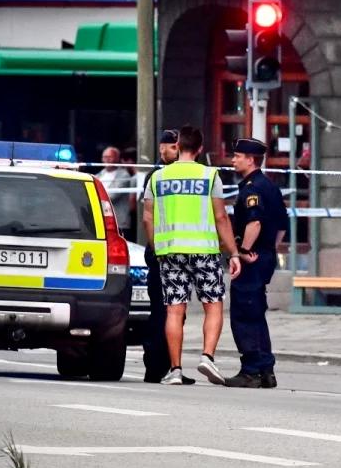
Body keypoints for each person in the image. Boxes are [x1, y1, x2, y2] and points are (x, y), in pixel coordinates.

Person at [142, 126, 242, 386]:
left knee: (174, 311)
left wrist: (156, 247)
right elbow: (221, 217)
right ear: (199, 148)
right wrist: (233, 252)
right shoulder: (210, 176)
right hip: (204, 251)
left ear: (179, 147)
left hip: (170, 252)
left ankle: (174, 369)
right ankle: (207, 356)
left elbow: (148, 217)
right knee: (213, 304)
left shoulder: (158, 177)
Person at [223, 137, 288, 388]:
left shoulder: (252, 187)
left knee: (244, 314)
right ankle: (266, 370)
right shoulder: (270, 186)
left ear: (250, 160)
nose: (233, 160)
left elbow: (255, 222)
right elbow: (282, 225)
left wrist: (243, 250)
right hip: (265, 257)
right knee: (257, 312)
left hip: (252, 259)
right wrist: (270, 248)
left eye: (237, 156)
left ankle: (251, 370)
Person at [140, 130, 181, 383]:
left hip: (176, 253)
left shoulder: (182, 175)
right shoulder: (155, 176)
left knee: (175, 313)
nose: (169, 150)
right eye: (168, 146)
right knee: (160, 313)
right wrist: (156, 250)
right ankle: (155, 367)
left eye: (175, 146)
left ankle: (171, 366)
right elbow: (148, 217)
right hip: (161, 253)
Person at [95, 146, 133, 230]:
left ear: (117, 158)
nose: (107, 160)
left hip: (118, 222)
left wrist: (94, 197)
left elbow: (111, 196)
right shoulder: (98, 175)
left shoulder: (124, 175)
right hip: (102, 221)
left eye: (110, 157)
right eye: (105, 157)